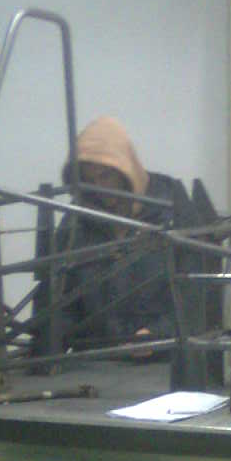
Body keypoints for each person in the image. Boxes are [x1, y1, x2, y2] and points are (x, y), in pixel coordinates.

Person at [50, 116, 186, 352]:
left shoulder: (173, 213)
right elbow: (62, 302)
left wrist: (158, 334)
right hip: (94, 361)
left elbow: (196, 298)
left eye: (105, 176)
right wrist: (51, 345)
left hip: (164, 361)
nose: (99, 187)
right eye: (89, 180)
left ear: (126, 170)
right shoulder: (76, 224)